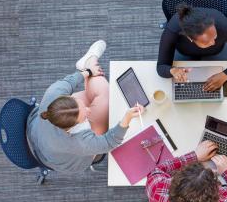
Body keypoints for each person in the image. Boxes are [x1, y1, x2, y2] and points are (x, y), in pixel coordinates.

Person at [27, 40, 143, 173]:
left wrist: (88, 71)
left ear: (65, 97)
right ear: (71, 128)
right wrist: (127, 118)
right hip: (62, 159)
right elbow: (110, 141)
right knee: (104, 98)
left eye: (81, 106)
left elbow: (70, 80)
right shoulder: (79, 141)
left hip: (36, 131)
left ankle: (88, 63)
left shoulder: (53, 93)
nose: (88, 110)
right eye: (83, 118)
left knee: (99, 97)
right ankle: (89, 60)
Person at [157, 3, 227, 91]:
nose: (213, 42)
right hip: (184, 52)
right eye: (206, 42)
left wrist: (226, 74)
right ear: (189, 38)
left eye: (214, 36)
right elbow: (161, 67)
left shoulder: (223, 25)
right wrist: (173, 70)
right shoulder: (173, 28)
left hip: (217, 52)